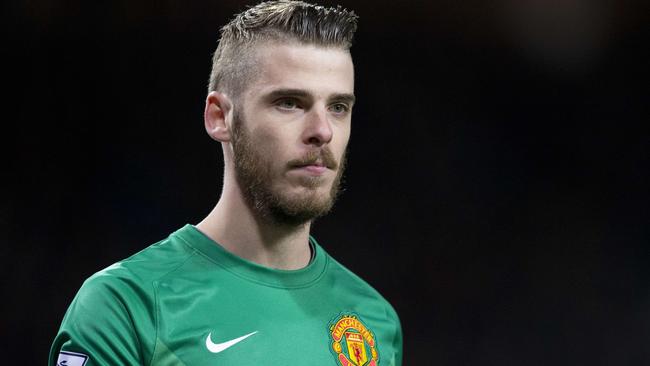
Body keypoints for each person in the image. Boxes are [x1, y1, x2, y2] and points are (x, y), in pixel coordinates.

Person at [49, 1, 403, 365]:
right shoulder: (126, 306)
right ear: (220, 117)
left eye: (338, 107)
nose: (322, 131)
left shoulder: (374, 321)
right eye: (289, 103)